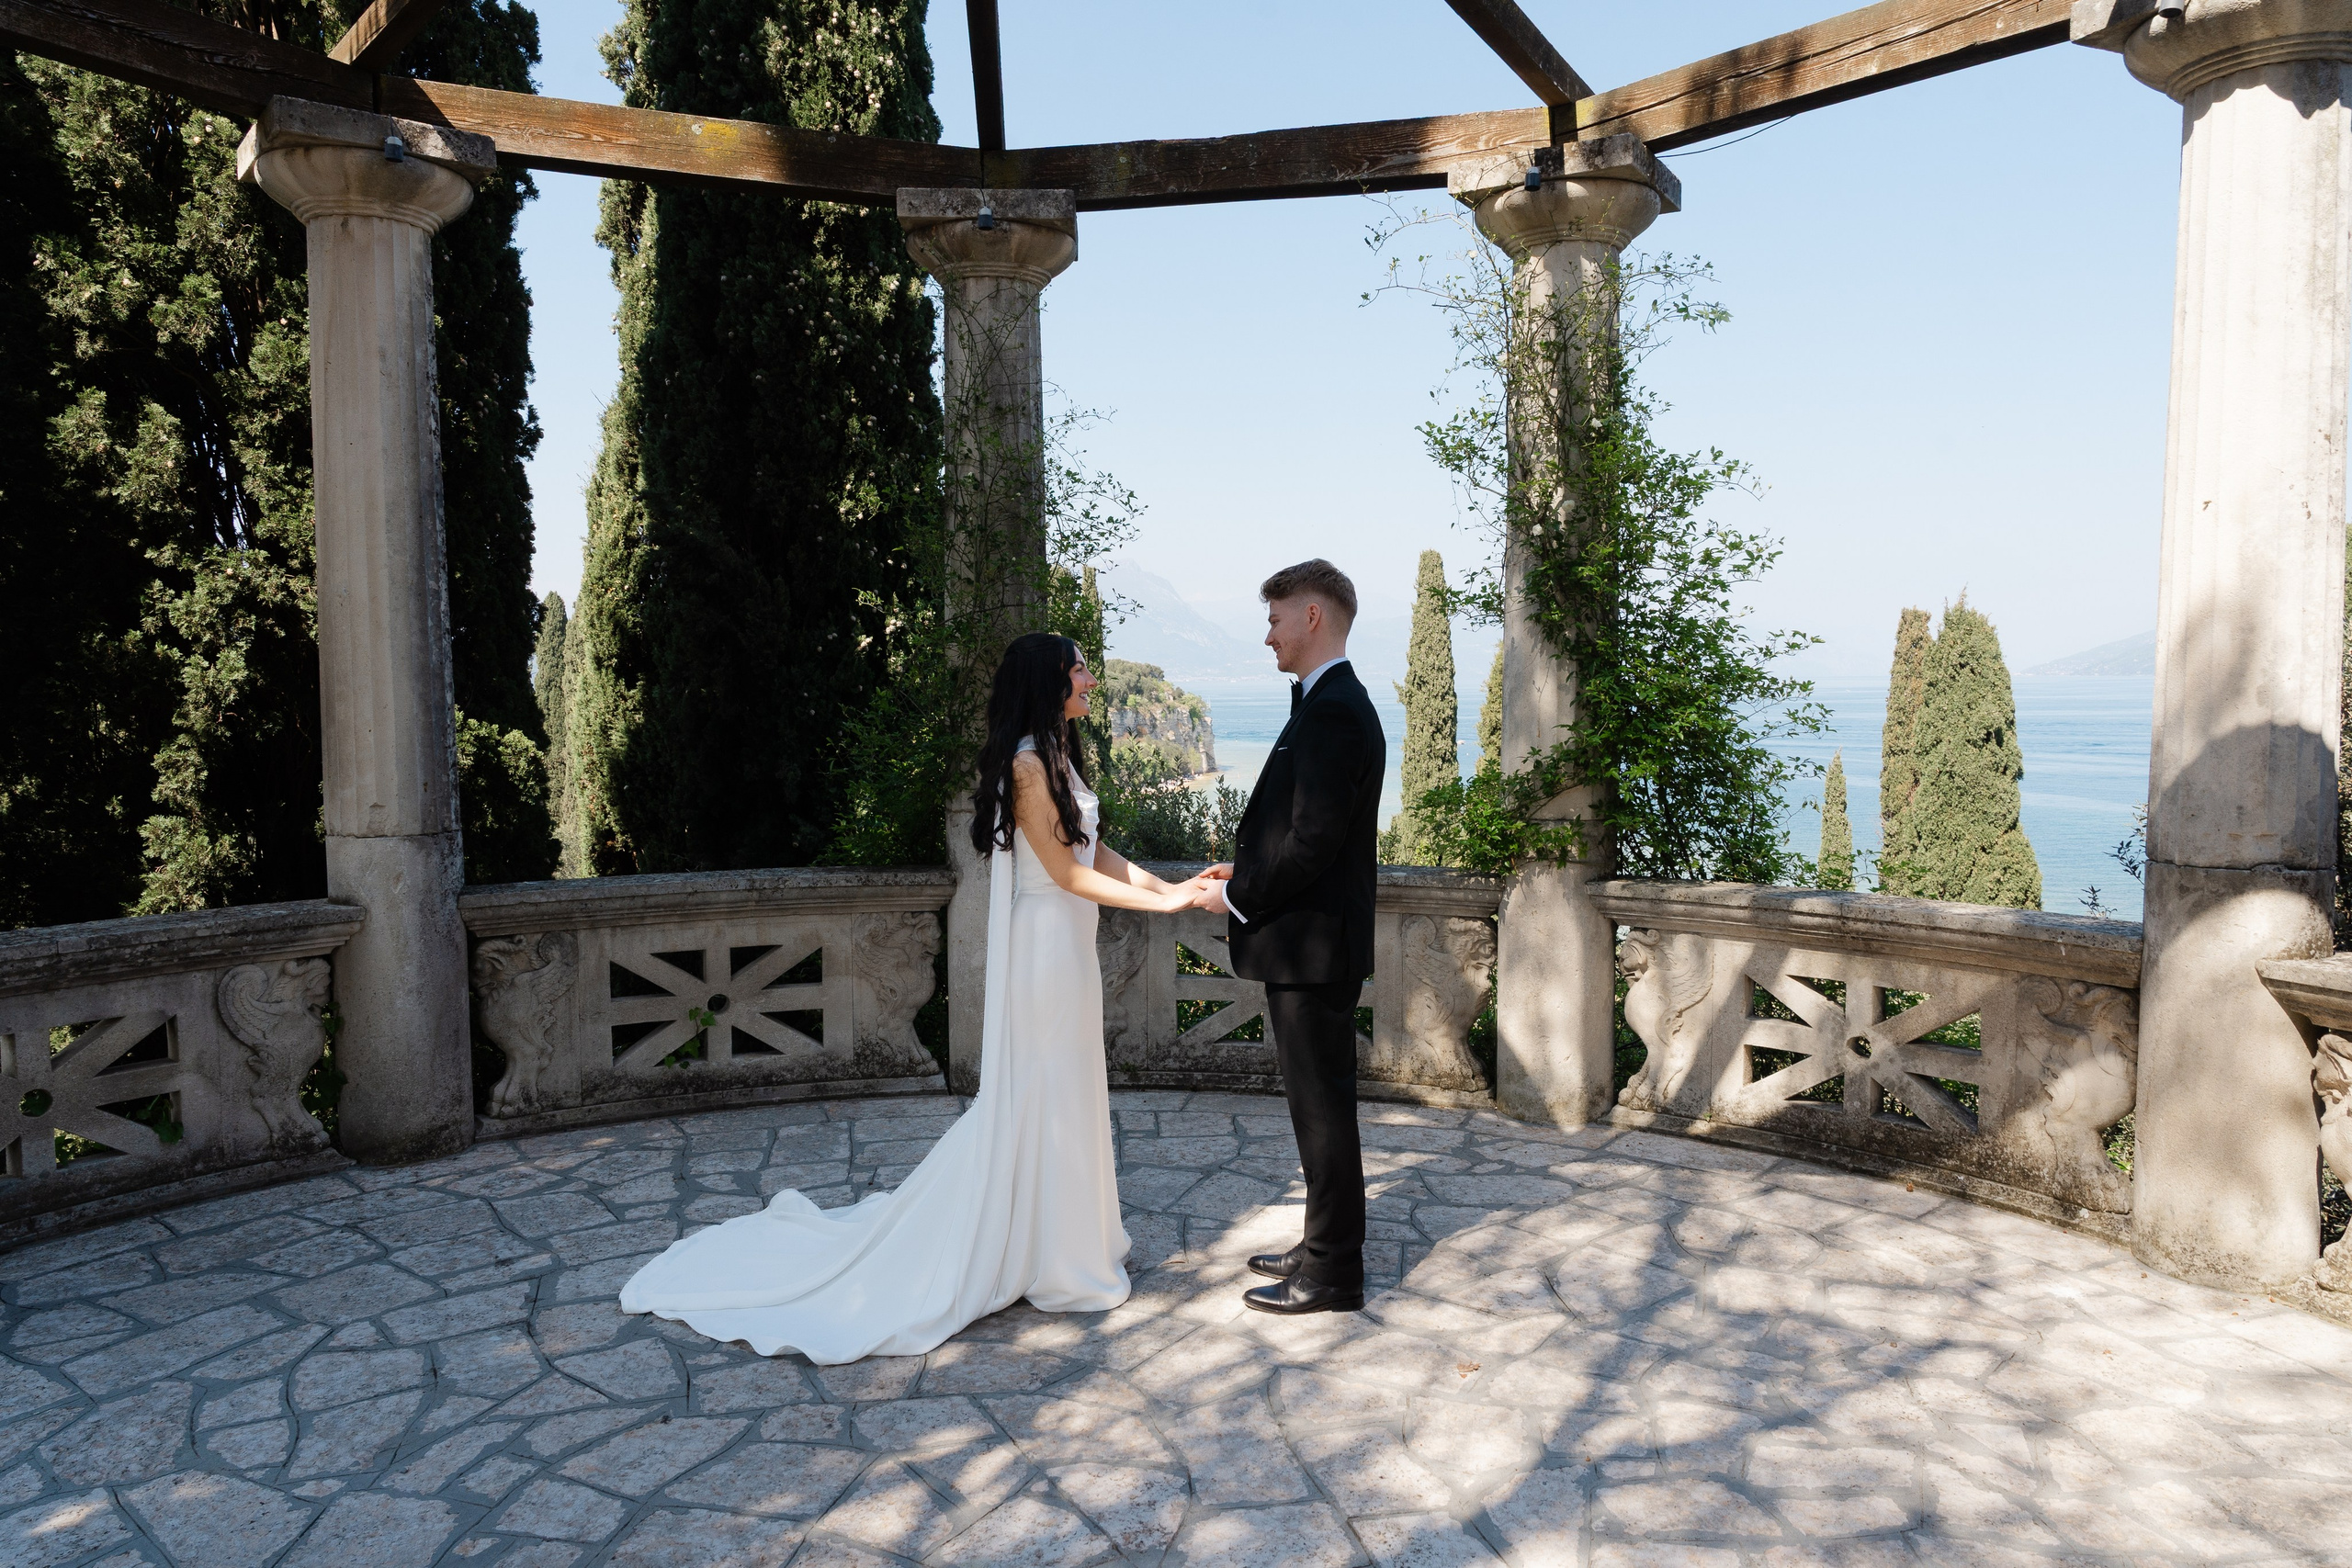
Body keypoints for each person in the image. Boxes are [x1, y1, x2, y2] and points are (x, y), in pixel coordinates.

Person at [619, 633, 1216, 1363]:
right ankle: (1048, 1254)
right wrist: (1165, 909)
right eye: (1079, 668)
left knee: (1067, 1089)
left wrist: (1178, 889)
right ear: (1049, 680)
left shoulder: (1058, 754)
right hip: (1042, 952)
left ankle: (1061, 1241)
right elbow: (1064, 875)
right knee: (1044, 1091)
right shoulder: (1029, 764)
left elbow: (1099, 854)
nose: (1091, 678)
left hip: (1069, 950)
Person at [1191, 559, 1385, 1314]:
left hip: (1313, 952)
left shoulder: (1336, 708)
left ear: (1313, 617)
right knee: (1317, 1109)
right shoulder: (1326, 700)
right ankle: (1322, 1238)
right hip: (1311, 947)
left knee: (1324, 1111)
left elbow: (1312, 844)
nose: (1266, 633)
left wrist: (1233, 895)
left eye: (1275, 618)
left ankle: (1334, 1272)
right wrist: (1241, 863)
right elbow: (1303, 830)